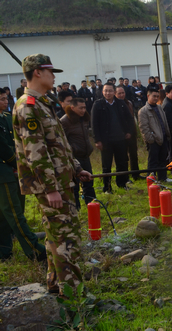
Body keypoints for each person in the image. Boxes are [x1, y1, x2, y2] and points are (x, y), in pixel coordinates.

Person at [12, 54, 92, 296]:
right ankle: (74, 297)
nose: (54, 76)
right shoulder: (28, 106)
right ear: (37, 72)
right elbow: (35, 153)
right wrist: (50, 189)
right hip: (51, 186)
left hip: (61, 180)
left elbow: (59, 144)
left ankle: (56, 285)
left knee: (56, 236)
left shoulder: (43, 103)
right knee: (67, 238)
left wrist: (77, 168)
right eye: (50, 71)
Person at [0, 87, 47, 263]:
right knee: (14, 213)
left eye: (6, 99)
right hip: (4, 172)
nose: (5, 102)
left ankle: (4, 249)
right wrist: (17, 163)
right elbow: (4, 148)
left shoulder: (5, 118)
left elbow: (16, 141)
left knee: (5, 214)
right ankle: (34, 249)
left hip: (11, 170)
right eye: (1, 99)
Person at [91, 82, 135, 193]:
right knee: (107, 165)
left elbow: (129, 119)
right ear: (102, 92)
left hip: (120, 139)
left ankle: (122, 183)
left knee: (122, 163)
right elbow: (94, 124)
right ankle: (107, 187)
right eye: (106, 91)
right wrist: (97, 140)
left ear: (114, 92)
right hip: (106, 141)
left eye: (110, 91)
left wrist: (129, 131)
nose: (108, 93)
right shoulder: (98, 105)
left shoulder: (120, 103)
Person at [60, 98, 96, 210]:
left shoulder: (84, 119)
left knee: (89, 181)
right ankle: (76, 208)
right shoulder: (64, 121)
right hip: (74, 157)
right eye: (81, 108)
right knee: (74, 185)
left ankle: (92, 204)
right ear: (72, 108)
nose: (83, 110)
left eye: (85, 107)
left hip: (85, 155)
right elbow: (62, 141)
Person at [138, 87, 172, 184]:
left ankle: (163, 177)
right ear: (148, 96)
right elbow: (144, 128)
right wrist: (150, 140)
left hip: (163, 137)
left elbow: (164, 122)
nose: (156, 98)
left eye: (157, 96)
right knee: (153, 161)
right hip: (153, 140)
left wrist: (167, 134)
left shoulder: (159, 107)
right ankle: (151, 179)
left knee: (163, 159)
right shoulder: (143, 111)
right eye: (154, 96)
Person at [116, 86, 140, 182]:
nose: (122, 95)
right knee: (123, 157)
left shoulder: (129, 102)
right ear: (115, 94)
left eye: (123, 93)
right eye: (119, 93)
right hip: (122, 134)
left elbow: (132, 118)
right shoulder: (115, 105)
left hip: (132, 132)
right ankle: (126, 177)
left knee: (134, 155)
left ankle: (136, 174)